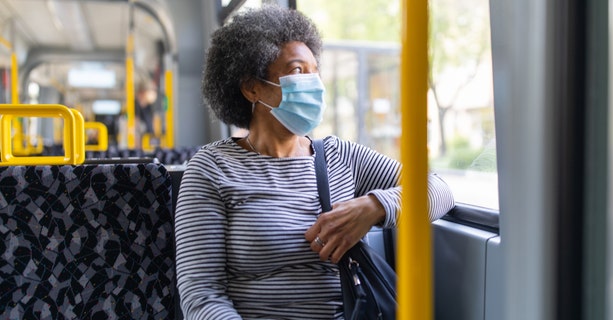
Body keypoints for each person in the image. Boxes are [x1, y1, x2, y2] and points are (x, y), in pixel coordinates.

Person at [174, 5, 455, 319]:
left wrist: (374, 207)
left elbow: (438, 189)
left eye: (315, 72)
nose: (314, 84)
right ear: (252, 88)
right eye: (297, 71)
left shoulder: (339, 156)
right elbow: (202, 297)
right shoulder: (211, 169)